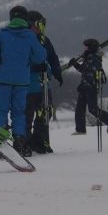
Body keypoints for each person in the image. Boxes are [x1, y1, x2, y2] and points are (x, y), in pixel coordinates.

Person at [0, 5, 47, 157]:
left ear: (11, 17)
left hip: (3, 79)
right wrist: (28, 57)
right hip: (22, 81)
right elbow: (40, 56)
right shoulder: (30, 36)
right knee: (19, 112)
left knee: (2, 109)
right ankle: (19, 140)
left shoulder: (2, 34)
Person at [24, 10, 62, 154]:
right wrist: (34, 67)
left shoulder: (44, 40)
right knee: (26, 117)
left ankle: (38, 141)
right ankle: (25, 143)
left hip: (43, 85)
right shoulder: (22, 40)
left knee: (46, 113)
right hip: (27, 86)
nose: (42, 28)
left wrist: (57, 71)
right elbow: (20, 62)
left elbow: (53, 57)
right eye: (40, 24)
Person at [69, 38, 108, 135]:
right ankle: (80, 129)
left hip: (91, 87)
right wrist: (75, 64)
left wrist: (80, 61)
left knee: (93, 109)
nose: (84, 49)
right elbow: (83, 70)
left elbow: (87, 69)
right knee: (79, 109)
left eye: (86, 47)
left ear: (91, 48)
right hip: (84, 86)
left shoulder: (95, 59)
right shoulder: (89, 58)